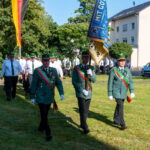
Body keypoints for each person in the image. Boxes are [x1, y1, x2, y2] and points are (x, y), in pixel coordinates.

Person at [30, 53, 64, 141]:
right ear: (42, 61)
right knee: (43, 114)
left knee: (45, 113)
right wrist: (32, 96)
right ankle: (48, 132)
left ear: (49, 61)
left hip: (49, 96)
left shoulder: (53, 70)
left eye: (47, 60)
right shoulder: (37, 71)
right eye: (44, 60)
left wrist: (61, 93)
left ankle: (41, 127)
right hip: (41, 96)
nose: (46, 62)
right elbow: (34, 84)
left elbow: (58, 82)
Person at [108, 54, 135, 130]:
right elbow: (110, 83)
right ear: (117, 61)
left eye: (123, 61)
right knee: (121, 106)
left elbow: (130, 81)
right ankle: (122, 123)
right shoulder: (113, 70)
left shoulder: (127, 70)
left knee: (119, 106)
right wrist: (110, 93)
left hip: (123, 92)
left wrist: (132, 91)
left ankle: (116, 119)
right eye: (120, 61)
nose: (122, 62)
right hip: (116, 92)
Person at [72, 51, 96, 134]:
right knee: (82, 109)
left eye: (88, 57)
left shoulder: (92, 68)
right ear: (82, 58)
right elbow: (74, 81)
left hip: (89, 92)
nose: (86, 59)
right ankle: (85, 127)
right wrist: (81, 90)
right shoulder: (77, 68)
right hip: (81, 92)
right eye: (84, 57)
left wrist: (91, 74)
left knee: (86, 110)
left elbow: (94, 80)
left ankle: (82, 123)